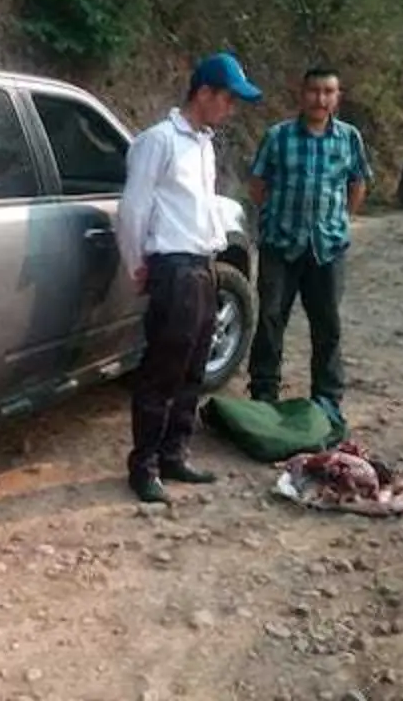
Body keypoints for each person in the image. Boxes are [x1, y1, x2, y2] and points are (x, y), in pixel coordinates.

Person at [117, 52, 263, 504]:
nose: (231, 108)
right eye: (228, 99)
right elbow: (133, 209)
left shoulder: (203, 141)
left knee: (194, 370)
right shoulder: (157, 142)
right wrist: (135, 264)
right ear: (203, 93)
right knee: (162, 371)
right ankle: (143, 465)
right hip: (173, 268)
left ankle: (174, 453)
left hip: (203, 266)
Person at [246, 67, 373, 424]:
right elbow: (258, 183)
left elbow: (357, 184)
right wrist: (275, 217)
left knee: (327, 325)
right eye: (314, 91)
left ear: (337, 97)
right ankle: (263, 393)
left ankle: (327, 400)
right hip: (280, 244)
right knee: (271, 320)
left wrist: (339, 221)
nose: (320, 98)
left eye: (328, 92)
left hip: (327, 247)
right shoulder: (278, 136)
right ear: (301, 94)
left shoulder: (349, 138)